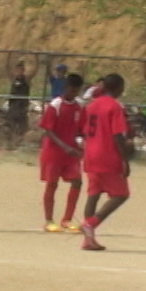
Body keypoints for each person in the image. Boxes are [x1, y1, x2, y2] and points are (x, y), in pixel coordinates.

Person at [80, 73, 132, 251]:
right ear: (118, 88)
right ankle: (91, 224)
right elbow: (118, 135)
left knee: (93, 194)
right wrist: (125, 159)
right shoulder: (114, 107)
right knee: (121, 194)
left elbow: (86, 130)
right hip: (107, 154)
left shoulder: (92, 105)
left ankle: (88, 240)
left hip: (90, 153)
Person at [39, 73, 86, 233]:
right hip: (53, 152)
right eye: (72, 90)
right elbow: (48, 130)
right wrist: (65, 147)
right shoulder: (56, 105)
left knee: (77, 182)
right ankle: (49, 220)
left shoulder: (79, 106)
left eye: (77, 91)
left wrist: (81, 142)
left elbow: (81, 129)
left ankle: (67, 219)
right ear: (66, 88)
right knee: (52, 184)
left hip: (71, 153)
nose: (74, 94)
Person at [6, 59, 38, 147]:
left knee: (23, 127)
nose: (19, 71)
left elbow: (35, 71)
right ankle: (10, 143)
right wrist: (9, 56)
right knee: (10, 125)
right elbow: (7, 69)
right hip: (13, 106)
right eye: (17, 69)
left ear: (23, 70)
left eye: (21, 69)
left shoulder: (26, 79)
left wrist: (36, 58)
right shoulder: (13, 79)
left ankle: (18, 143)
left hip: (22, 107)